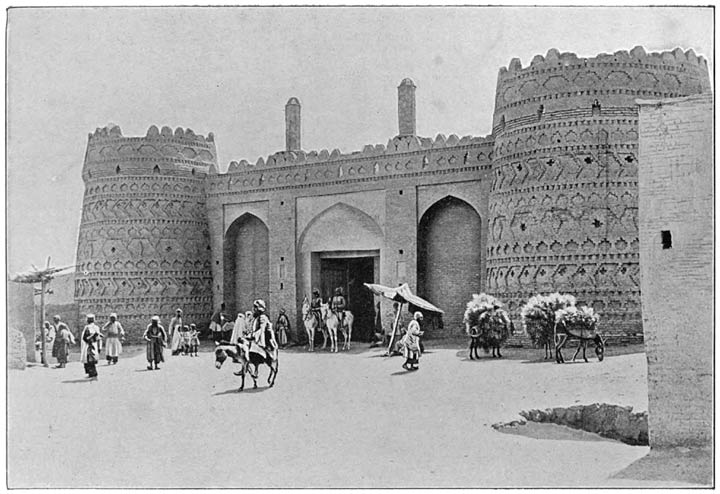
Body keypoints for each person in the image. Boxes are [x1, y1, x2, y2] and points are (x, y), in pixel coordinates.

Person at [80, 314, 103, 379]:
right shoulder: (96, 327)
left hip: (88, 345)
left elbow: (85, 338)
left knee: (89, 360)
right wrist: (99, 346)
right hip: (94, 344)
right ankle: (91, 373)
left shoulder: (87, 327)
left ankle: (93, 373)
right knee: (91, 359)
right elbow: (99, 338)